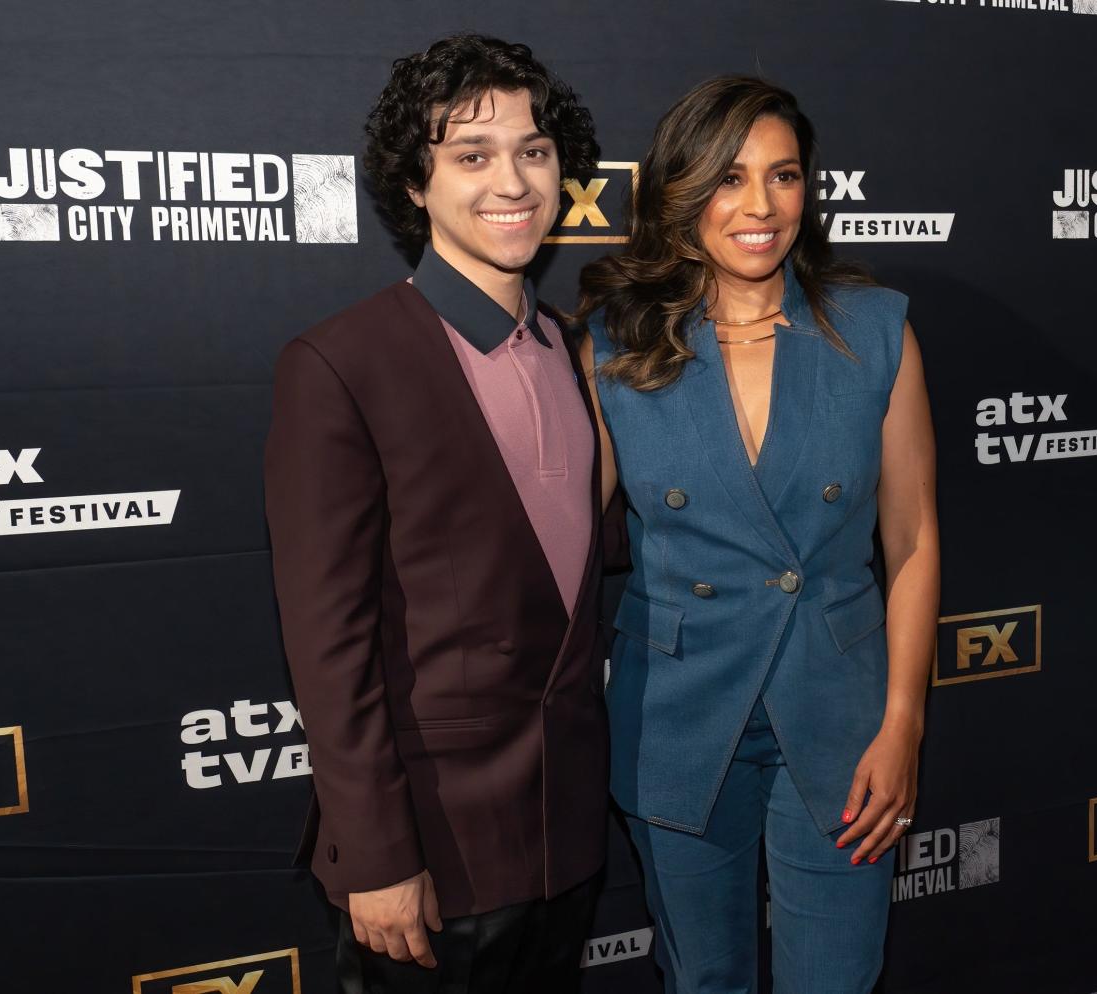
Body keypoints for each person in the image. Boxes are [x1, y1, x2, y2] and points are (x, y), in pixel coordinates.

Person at [576, 75, 939, 993]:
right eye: (729, 178)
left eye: (783, 176)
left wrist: (903, 724)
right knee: (705, 980)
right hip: (678, 714)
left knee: (838, 979)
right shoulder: (615, 346)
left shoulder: (875, 330)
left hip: (842, 717)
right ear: (680, 192)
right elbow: (563, 540)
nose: (760, 206)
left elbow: (913, 538)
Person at [263, 34, 609, 993]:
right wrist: (375, 858)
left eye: (533, 151)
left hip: (569, 838)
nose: (513, 180)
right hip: (431, 852)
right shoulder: (340, 364)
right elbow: (328, 644)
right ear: (414, 187)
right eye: (471, 155)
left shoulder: (575, 351)